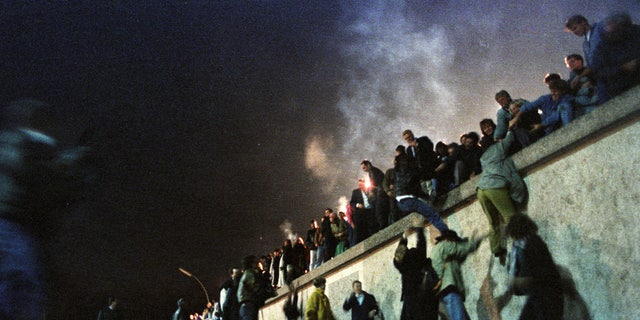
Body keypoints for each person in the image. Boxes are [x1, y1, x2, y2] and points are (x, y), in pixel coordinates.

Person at [0, 99, 94, 319]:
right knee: (25, 286)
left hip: (15, 227)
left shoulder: (12, 144)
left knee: (19, 285)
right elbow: (46, 187)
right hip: (16, 226)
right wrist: (70, 166)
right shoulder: (30, 147)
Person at [565, 13, 640, 104]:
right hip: (605, 80)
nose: (575, 32)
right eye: (572, 31)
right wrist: (579, 77)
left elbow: (624, 20)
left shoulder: (600, 28)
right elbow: (592, 66)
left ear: (583, 22)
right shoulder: (585, 45)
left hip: (622, 74)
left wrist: (626, 64)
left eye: (575, 28)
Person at [476, 132, 528, 265]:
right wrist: (510, 129)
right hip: (495, 186)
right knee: (510, 216)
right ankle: (520, 243)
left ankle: (496, 249)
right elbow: (510, 138)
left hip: (481, 190)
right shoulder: (497, 148)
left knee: (493, 221)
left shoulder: (482, 158)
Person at [506, 214, 563, 320]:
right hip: (538, 296)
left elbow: (541, 276)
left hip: (548, 297)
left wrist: (517, 281)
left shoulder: (533, 244)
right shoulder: (521, 246)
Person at [431, 230, 487, 320]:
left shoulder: (438, 249)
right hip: (449, 289)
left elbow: (460, 256)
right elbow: (461, 249)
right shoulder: (444, 245)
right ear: (449, 239)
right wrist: (475, 242)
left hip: (443, 291)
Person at [393, 220, 438, 320]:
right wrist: (419, 229)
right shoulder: (420, 258)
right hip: (424, 293)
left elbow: (398, 255)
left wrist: (404, 237)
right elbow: (422, 244)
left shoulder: (403, 266)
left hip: (410, 296)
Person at [394, 153, 449, 233]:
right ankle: (448, 235)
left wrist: (428, 198)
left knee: (420, 222)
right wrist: (438, 170)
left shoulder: (398, 171)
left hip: (400, 203)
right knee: (433, 216)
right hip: (409, 199)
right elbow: (425, 178)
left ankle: (419, 230)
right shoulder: (412, 171)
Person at [509, 79, 574, 137]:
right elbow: (528, 106)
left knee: (565, 106)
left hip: (561, 124)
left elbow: (556, 116)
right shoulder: (545, 99)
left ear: (562, 92)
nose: (553, 94)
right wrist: (515, 118)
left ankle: (568, 132)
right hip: (549, 128)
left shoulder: (566, 99)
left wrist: (541, 125)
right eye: (552, 91)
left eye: (555, 91)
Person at [402, 130, 439, 202]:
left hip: (429, 168)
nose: (408, 139)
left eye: (409, 137)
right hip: (420, 173)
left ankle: (434, 198)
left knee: (431, 186)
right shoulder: (409, 150)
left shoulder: (423, 140)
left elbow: (430, 149)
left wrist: (418, 147)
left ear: (412, 134)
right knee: (424, 188)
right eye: (406, 138)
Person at [361, 160, 389, 232]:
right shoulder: (372, 171)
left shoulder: (373, 171)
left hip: (381, 193)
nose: (364, 170)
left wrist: (371, 190)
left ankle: (384, 227)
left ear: (368, 165)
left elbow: (376, 182)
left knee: (380, 210)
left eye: (364, 167)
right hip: (380, 193)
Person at [237, 255, 263, 320]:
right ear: (251, 263)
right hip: (248, 306)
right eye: (256, 261)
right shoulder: (250, 273)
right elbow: (257, 288)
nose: (258, 263)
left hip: (245, 307)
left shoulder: (247, 274)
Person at [350, 180, 374, 244]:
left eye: (362, 184)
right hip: (360, 214)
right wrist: (358, 205)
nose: (360, 186)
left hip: (370, 211)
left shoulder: (369, 190)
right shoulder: (355, 192)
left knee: (371, 227)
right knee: (360, 231)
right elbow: (352, 202)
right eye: (359, 184)